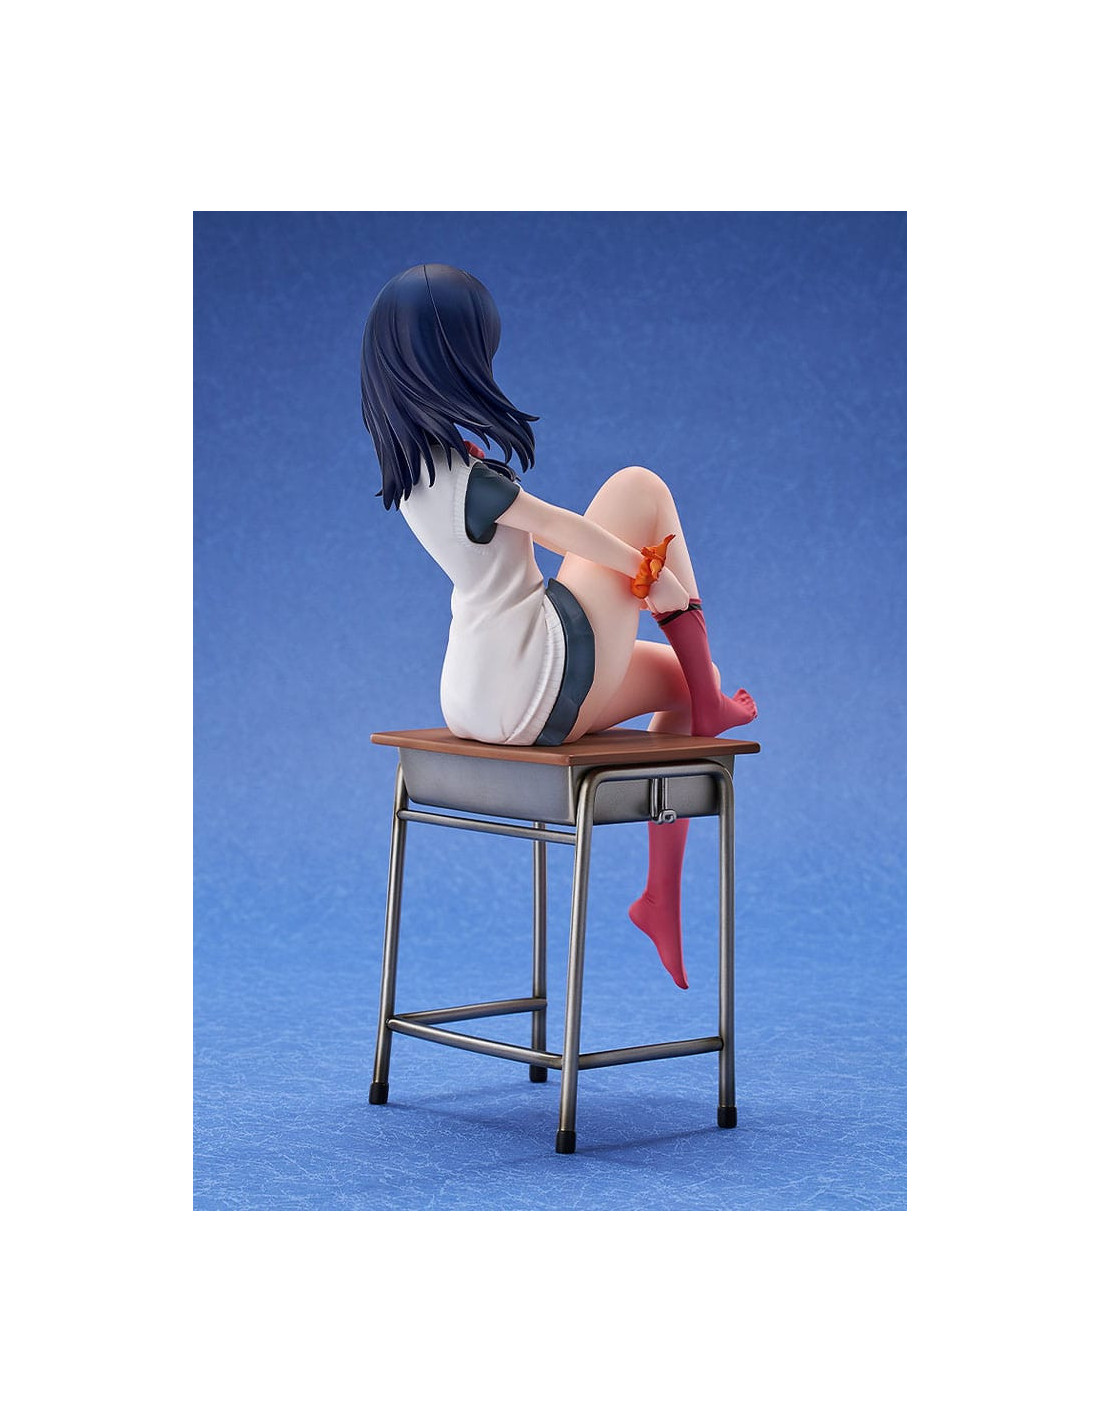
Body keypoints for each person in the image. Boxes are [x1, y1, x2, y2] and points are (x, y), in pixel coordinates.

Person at [361, 263, 756, 989]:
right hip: (535, 678)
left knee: (685, 677)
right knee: (639, 488)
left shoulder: (417, 471)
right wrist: (651, 574)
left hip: (474, 694)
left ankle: (659, 899)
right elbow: (562, 529)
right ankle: (709, 706)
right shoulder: (474, 483)